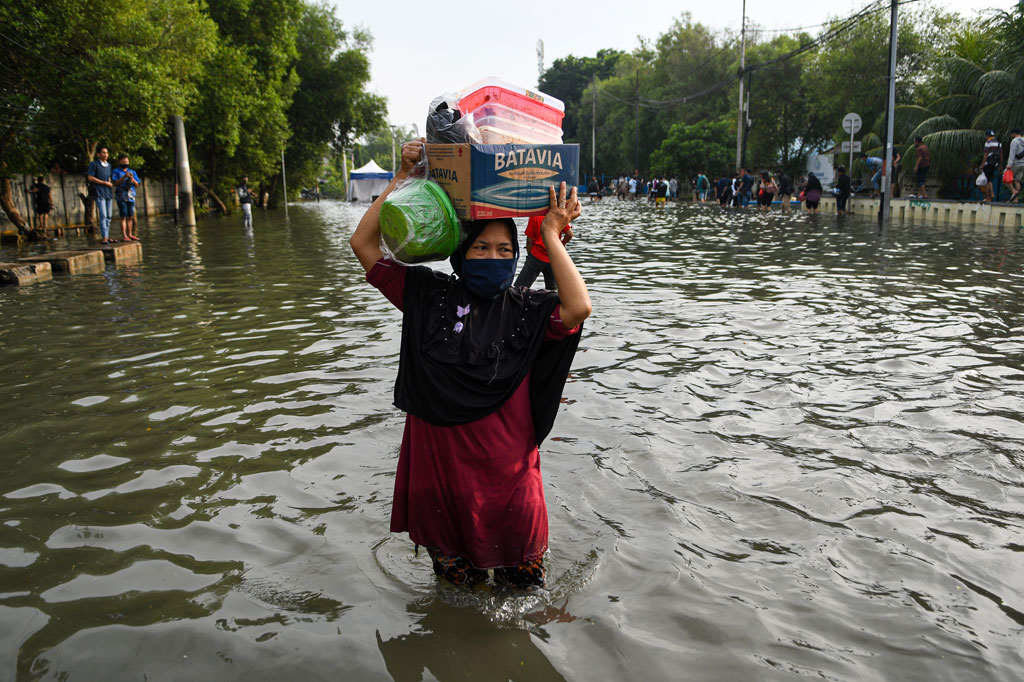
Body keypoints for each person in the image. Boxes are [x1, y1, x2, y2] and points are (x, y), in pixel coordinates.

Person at [349, 138, 590, 589]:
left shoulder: (527, 308)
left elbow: (579, 308)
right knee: (456, 594)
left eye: (504, 251)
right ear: (461, 254)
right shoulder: (427, 295)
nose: (494, 258)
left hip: (510, 482)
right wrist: (402, 181)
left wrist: (552, 236)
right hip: (445, 483)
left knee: (525, 593)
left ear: (517, 256)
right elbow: (363, 243)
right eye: (481, 249)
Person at [514, 214, 573, 290]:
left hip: (536, 256)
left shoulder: (535, 216)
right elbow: (569, 234)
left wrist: (530, 256)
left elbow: (529, 241)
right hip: (552, 258)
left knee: (518, 289)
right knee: (552, 292)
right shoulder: (559, 216)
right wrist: (561, 244)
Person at [87, 147, 115, 243]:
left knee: (109, 216)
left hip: (108, 193)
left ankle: (107, 234)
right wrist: (104, 183)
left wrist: (109, 183)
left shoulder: (109, 166)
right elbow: (90, 177)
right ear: (98, 154)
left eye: (107, 153)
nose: (105, 154)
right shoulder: (94, 164)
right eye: (103, 153)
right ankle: (104, 236)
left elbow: (109, 178)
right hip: (99, 192)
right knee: (103, 215)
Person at [111, 154, 140, 242]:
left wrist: (131, 178)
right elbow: (115, 183)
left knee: (130, 216)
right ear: (120, 162)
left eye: (127, 162)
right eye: (123, 162)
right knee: (123, 216)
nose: (125, 163)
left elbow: (137, 184)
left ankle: (130, 234)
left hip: (131, 196)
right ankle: (124, 235)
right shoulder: (116, 171)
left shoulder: (132, 172)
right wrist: (124, 177)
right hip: (121, 197)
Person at [980, 130, 1002, 203]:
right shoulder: (999, 143)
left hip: (988, 164)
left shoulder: (988, 143)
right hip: (994, 164)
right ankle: (991, 193)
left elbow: (986, 154)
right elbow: (1001, 155)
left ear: (987, 136)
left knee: (985, 180)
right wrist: (1000, 165)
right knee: (989, 179)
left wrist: (982, 164)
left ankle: (987, 197)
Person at [1008, 128, 1024, 203]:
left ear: (1013, 133)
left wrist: (1009, 164)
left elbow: (1012, 153)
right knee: (1017, 181)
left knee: (1006, 179)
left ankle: (1014, 191)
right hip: (1023, 165)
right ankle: (1015, 199)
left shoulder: (1014, 141)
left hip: (1015, 164)